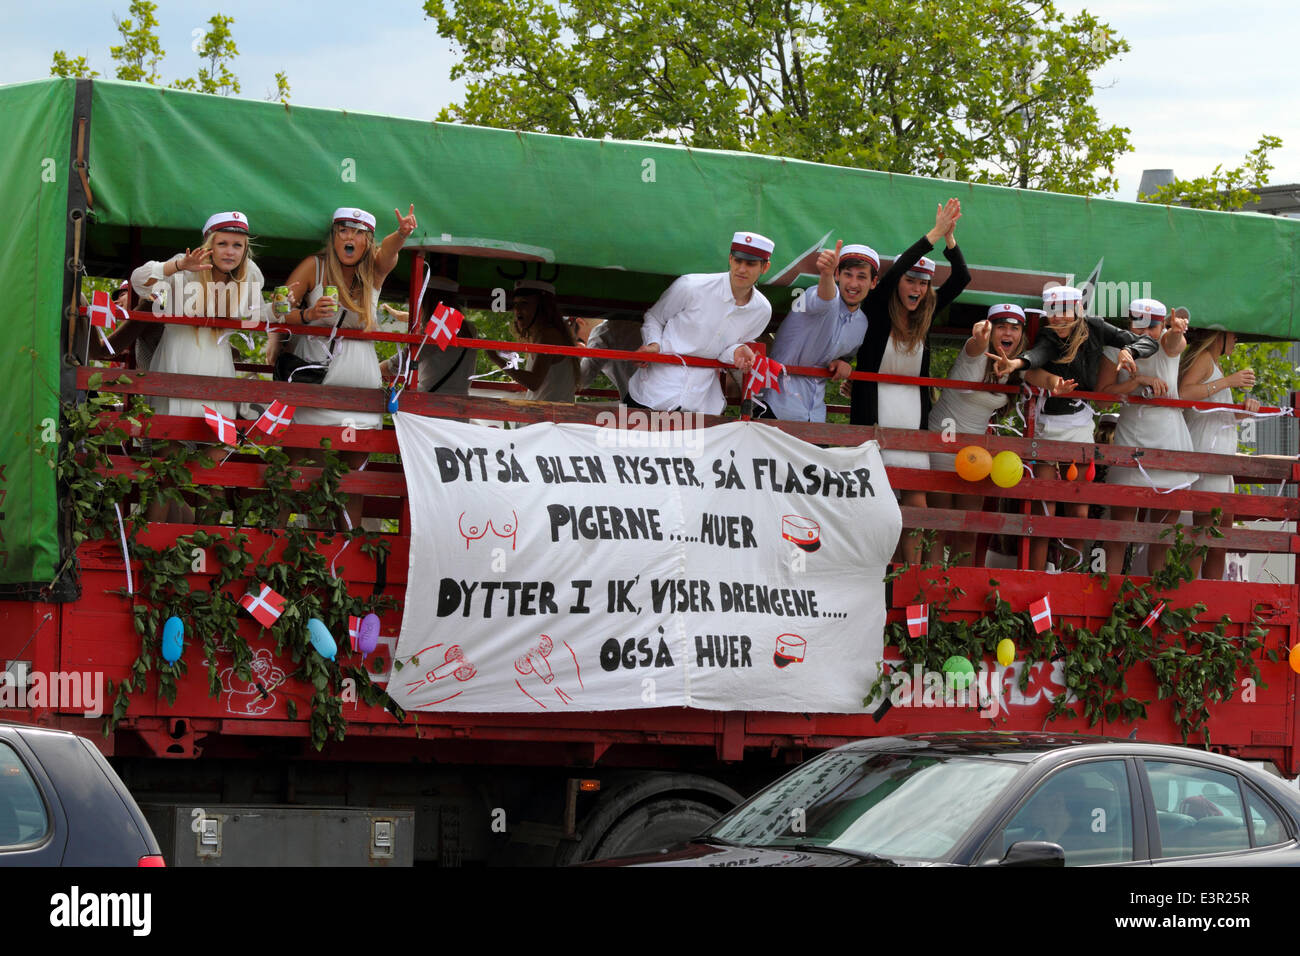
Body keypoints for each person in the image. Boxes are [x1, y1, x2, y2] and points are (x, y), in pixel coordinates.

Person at [993, 285, 1162, 571]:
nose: (1058, 318)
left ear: (1078, 310)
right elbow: (1038, 354)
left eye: (1064, 311)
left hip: (1080, 424)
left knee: (1079, 510)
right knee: (1043, 510)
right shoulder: (1048, 335)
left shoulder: (1095, 327)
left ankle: (1070, 577)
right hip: (1048, 426)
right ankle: (1037, 577)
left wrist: (1128, 351)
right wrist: (1017, 363)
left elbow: (1148, 343)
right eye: (1053, 312)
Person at [274, 204, 417, 527]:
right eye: (342, 230)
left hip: (360, 382)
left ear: (368, 240)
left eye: (357, 232)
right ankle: (274, 544)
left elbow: (390, 253)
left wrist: (403, 233)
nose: (349, 237)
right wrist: (310, 316)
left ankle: (343, 550)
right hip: (315, 380)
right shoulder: (315, 266)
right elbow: (280, 309)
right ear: (334, 236)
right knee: (296, 464)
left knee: (352, 474)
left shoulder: (374, 269)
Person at [849, 199, 969, 565]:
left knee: (915, 503)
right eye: (910, 280)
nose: (916, 287)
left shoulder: (927, 313)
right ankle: (875, 573)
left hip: (913, 424)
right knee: (877, 504)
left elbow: (962, 278)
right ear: (897, 283)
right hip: (875, 423)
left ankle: (913, 576)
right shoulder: (876, 307)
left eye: (922, 282)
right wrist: (932, 234)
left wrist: (950, 241)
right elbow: (893, 271)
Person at [1097, 299, 1196, 575]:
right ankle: (1109, 606)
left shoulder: (1167, 340)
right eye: (1139, 324)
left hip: (1171, 441)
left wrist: (1177, 331)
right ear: (1130, 322)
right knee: (1120, 533)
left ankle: (1157, 606)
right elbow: (1104, 399)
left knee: (1162, 538)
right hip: (1131, 440)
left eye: (1154, 326)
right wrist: (1137, 383)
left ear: (1163, 325)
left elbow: (1175, 344)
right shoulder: (1116, 346)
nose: (1146, 332)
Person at [626, 231, 774, 415]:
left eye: (750, 264)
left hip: (701, 404)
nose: (742, 269)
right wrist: (653, 344)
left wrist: (737, 350)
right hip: (652, 394)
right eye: (738, 261)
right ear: (730, 259)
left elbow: (723, 351)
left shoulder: (762, 310)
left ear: (765, 267)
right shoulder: (691, 285)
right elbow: (654, 317)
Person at [926, 304, 1029, 565]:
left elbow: (1041, 373)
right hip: (943, 440)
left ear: (1021, 335)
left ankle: (959, 596)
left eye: (1014, 328)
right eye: (1001, 327)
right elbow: (975, 344)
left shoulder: (1016, 366)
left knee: (969, 528)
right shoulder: (976, 351)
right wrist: (979, 338)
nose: (1007, 333)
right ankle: (931, 594)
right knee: (938, 524)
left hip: (975, 453)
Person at [758, 241, 879, 421]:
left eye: (861, 277)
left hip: (815, 414)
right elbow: (826, 299)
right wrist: (826, 274)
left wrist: (842, 362)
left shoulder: (862, 323)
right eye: (848, 275)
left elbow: (845, 355)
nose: (853, 283)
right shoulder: (813, 294)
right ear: (838, 275)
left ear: (873, 282)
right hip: (775, 406)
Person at [1178, 326, 1261, 579]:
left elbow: (1213, 412)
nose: (1237, 338)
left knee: (1219, 537)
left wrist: (1243, 410)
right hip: (1208, 455)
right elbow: (1185, 393)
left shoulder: (1214, 364)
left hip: (1220, 459)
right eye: (1234, 334)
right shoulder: (1204, 359)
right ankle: (1191, 597)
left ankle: (1208, 598)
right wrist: (1230, 382)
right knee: (1204, 536)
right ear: (1219, 335)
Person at [490, 280, 578, 402]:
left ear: (542, 307)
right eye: (515, 304)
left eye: (524, 303)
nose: (517, 309)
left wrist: (496, 359)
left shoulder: (549, 336)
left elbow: (533, 382)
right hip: (548, 416)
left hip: (550, 417)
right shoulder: (545, 335)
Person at [578, 318, 643, 402]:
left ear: (580, 322)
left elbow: (581, 380)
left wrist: (576, 360)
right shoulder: (630, 326)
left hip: (640, 401)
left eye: (578, 339)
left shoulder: (602, 333)